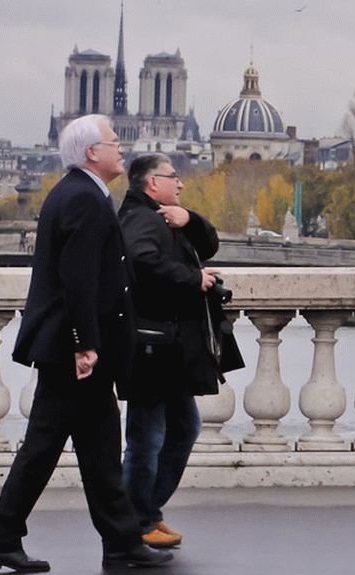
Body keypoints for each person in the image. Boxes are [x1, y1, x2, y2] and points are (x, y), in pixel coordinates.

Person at [0, 114, 172, 572]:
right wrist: (86, 344)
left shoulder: (78, 193)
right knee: (45, 446)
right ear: (91, 153)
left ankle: (121, 539)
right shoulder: (84, 199)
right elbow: (78, 279)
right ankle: (1, 536)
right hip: (75, 350)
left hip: (78, 346)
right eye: (113, 141)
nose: (121, 147)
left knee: (100, 447)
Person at [118, 153, 243, 549]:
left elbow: (208, 243)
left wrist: (188, 218)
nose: (181, 183)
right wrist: (193, 279)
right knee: (148, 438)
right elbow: (141, 263)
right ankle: (136, 519)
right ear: (152, 183)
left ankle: (147, 512)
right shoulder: (141, 219)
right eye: (174, 178)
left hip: (167, 348)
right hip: (153, 346)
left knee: (182, 429)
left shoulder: (164, 215)